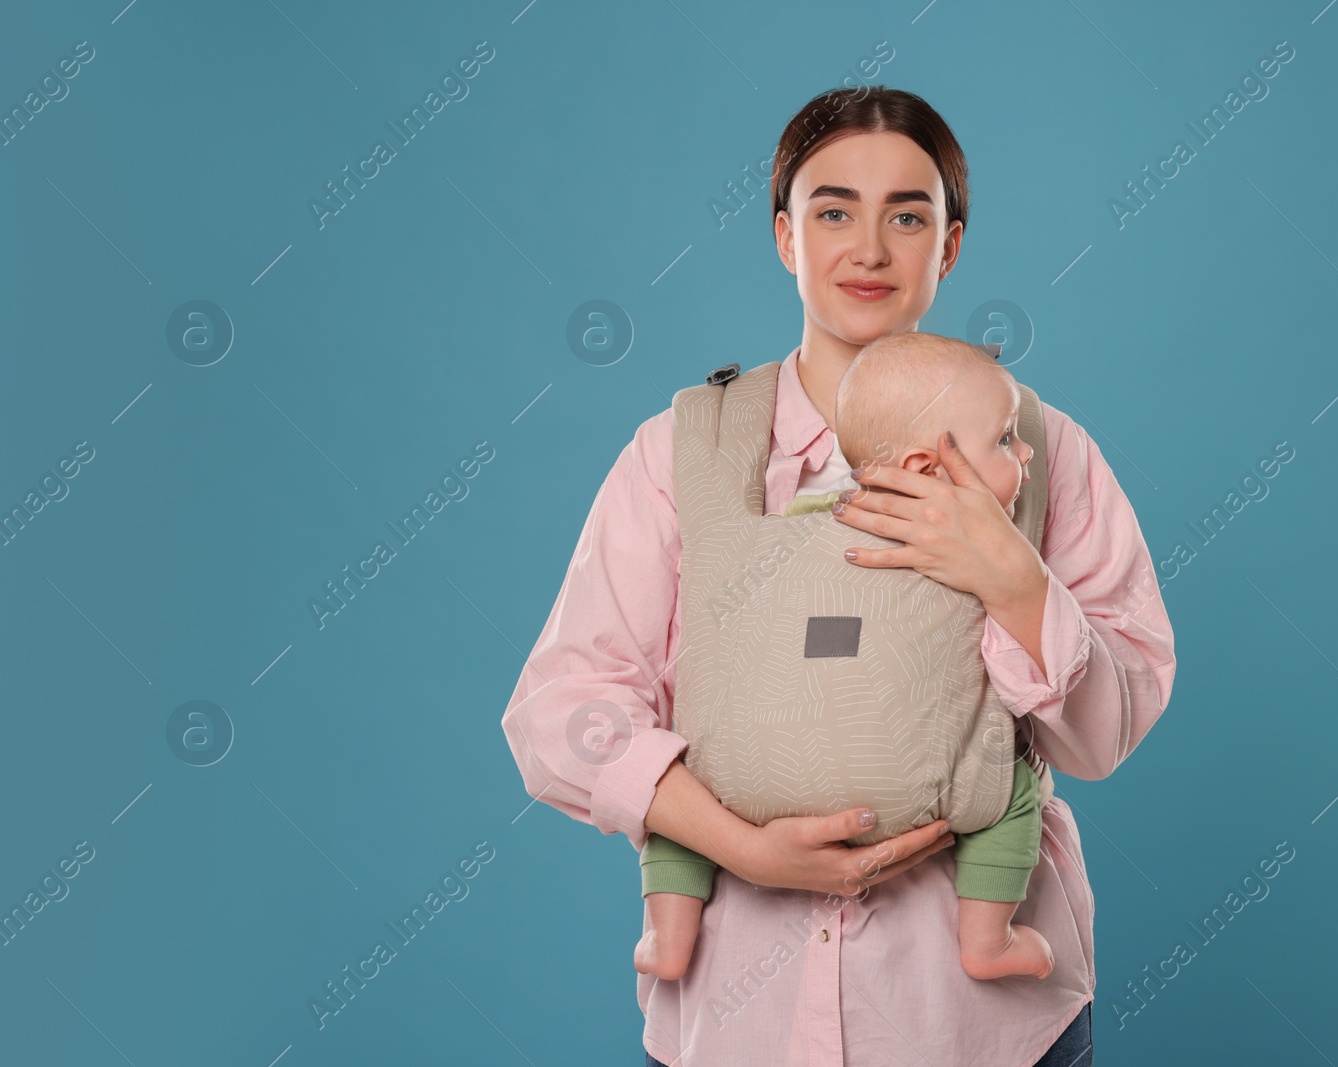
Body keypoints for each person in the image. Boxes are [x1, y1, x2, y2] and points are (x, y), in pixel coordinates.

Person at [500, 85, 1176, 1067]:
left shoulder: (1038, 450)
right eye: (832, 211)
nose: (869, 247)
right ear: (784, 235)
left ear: (947, 247)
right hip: (736, 1024)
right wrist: (739, 846)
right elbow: (562, 710)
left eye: (908, 214)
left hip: (973, 1028)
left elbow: (1108, 731)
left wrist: (1010, 576)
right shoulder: (683, 453)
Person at [635, 332, 1055, 986]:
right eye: (1006, 440)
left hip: (737, 786)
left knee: (679, 785)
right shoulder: (977, 551)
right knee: (1016, 778)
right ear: (924, 467)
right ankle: (988, 940)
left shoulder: (795, 514)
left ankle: (669, 934)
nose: (1026, 449)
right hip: (920, 796)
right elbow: (1012, 678)